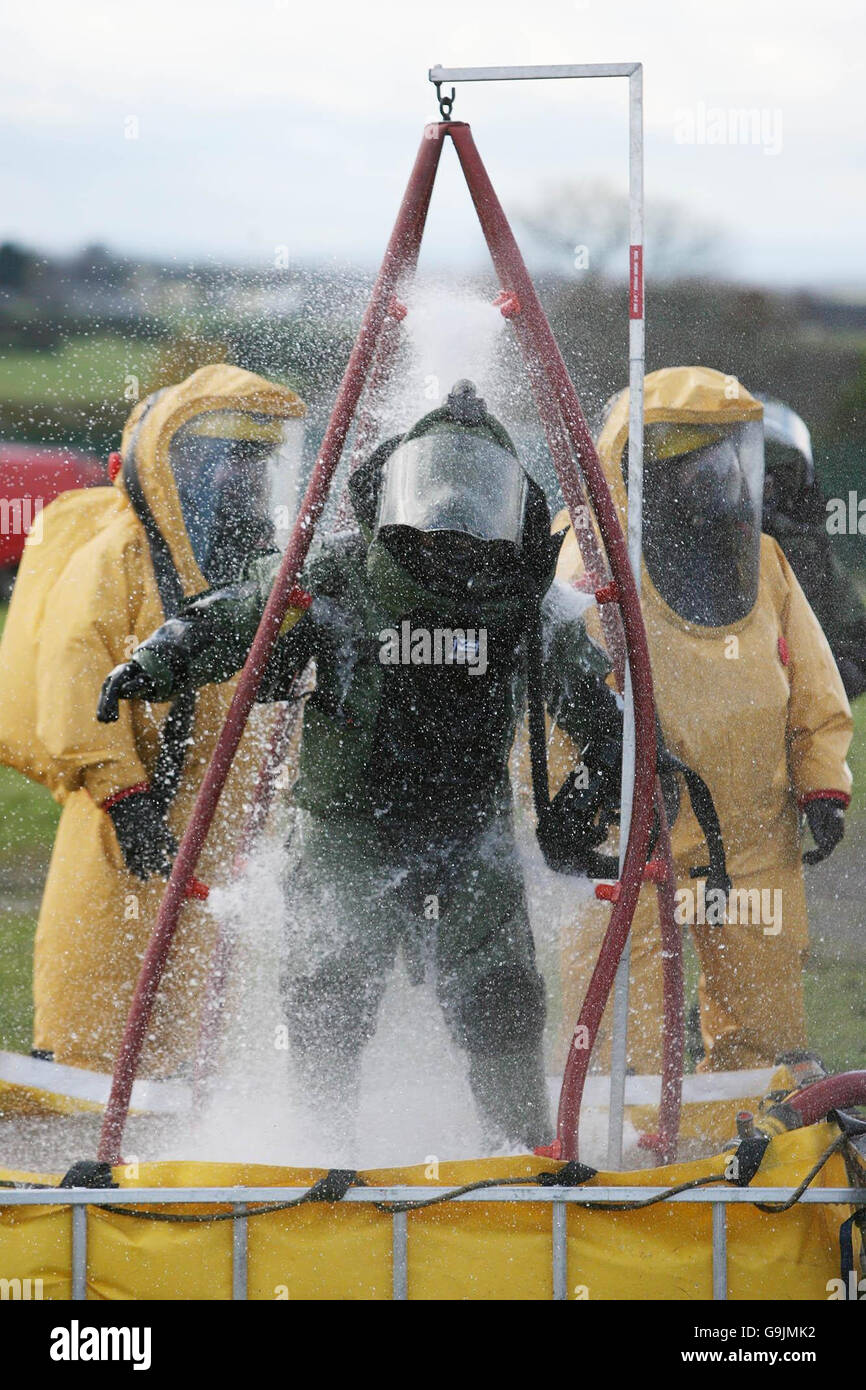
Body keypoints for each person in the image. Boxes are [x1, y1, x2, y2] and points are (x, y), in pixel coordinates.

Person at [97, 380, 620, 1149]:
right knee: (328, 989)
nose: (453, 532)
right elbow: (245, 614)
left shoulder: (525, 603)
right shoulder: (340, 576)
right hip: (347, 830)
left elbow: (606, 719)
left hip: (470, 831)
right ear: (397, 495)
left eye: (476, 513)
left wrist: (599, 788)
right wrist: (162, 656)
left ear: (513, 519)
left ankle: (528, 1161)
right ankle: (319, 1151)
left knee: (501, 995)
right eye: (438, 505)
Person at [0, 364, 305, 1075]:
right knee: (103, 971)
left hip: (219, 828)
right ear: (180, 467)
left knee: (198, 997)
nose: (246, 479)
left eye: (257, 462)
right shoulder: (116, 559)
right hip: (125, 821)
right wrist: (125, 796)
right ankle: (82, 1094)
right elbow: (72, 682)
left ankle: (174, 1109)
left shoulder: (256, 568)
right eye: (230, 460)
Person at [548, 366, 853, 1074]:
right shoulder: (587, 566)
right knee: (624, 1035)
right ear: (644, 472)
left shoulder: (765, 560)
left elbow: (813, 685)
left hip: (751, 839)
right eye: (690, 464)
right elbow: (565, 711)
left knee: (765, 1022)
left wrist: (822, 785)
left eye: (721, 458)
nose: (714, 479)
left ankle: (750, 1143)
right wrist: (582, 815)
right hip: (630, 839)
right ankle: (624, 1160)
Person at [759, 396, 866, 699]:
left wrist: (831, 673)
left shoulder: (808, 549)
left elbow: (855, 638)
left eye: (771, 481)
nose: (764, 486)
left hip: (799, 711)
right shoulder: (714, 546)